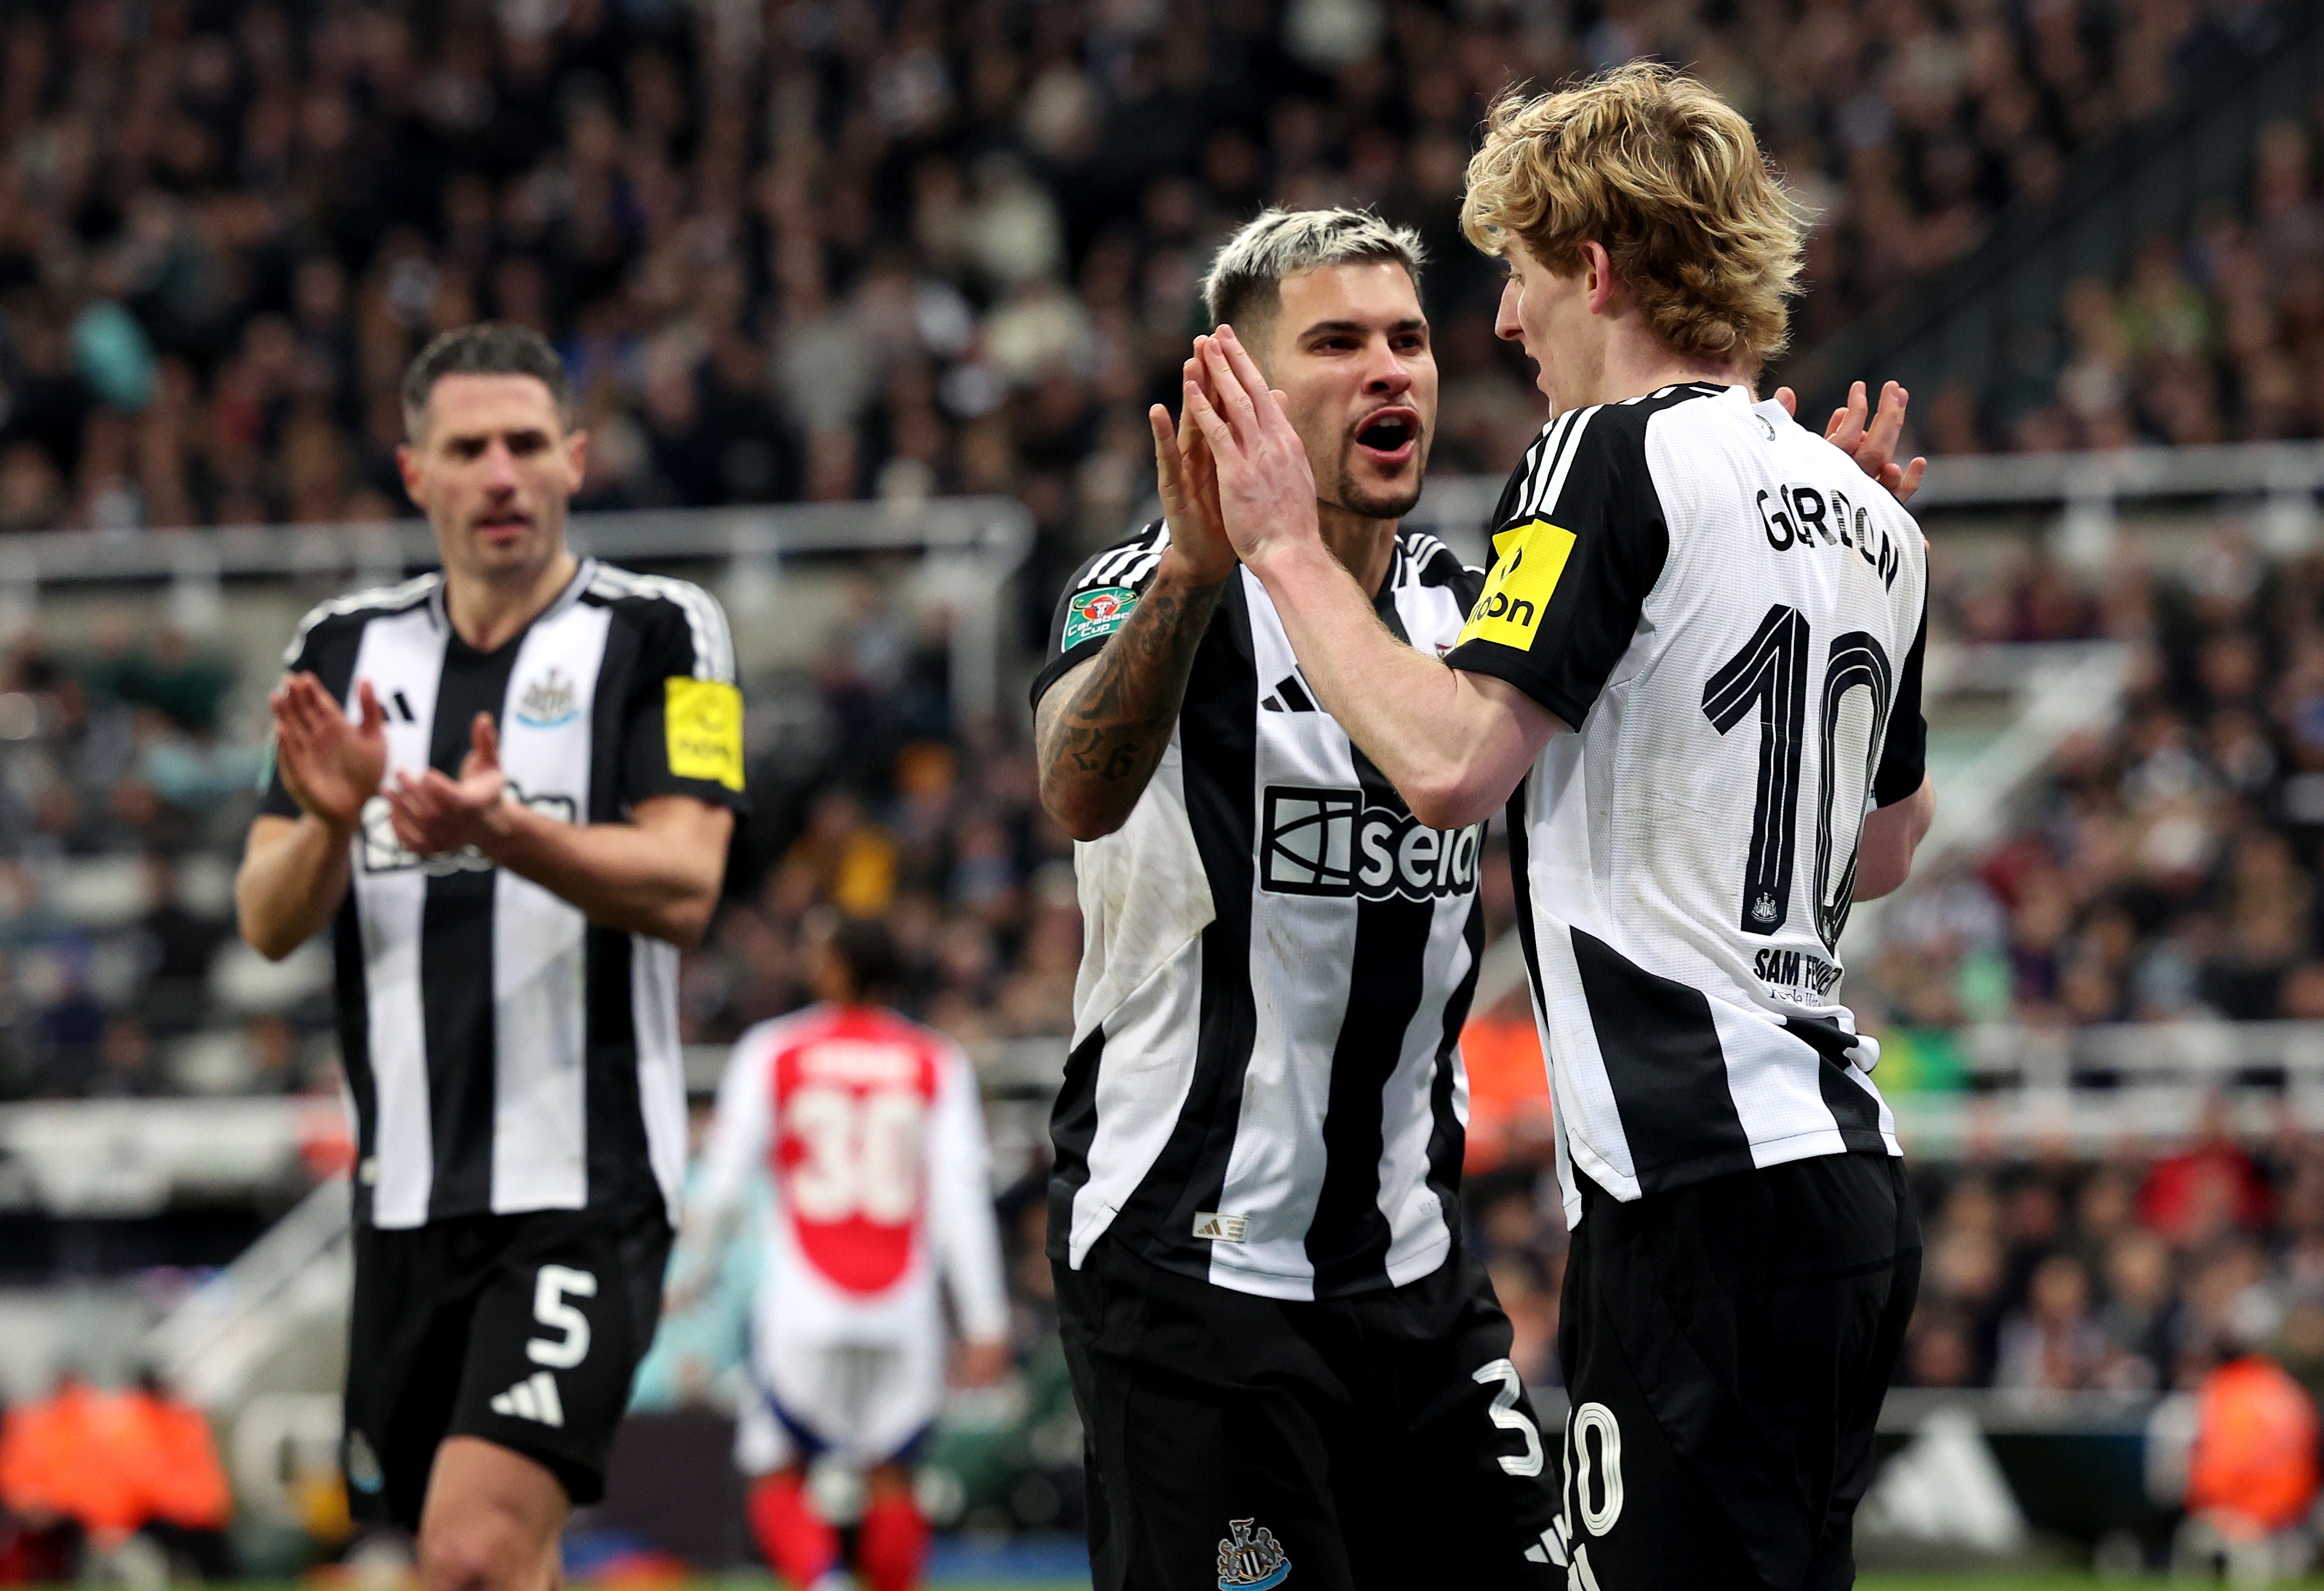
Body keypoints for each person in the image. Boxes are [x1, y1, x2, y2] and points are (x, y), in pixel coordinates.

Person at [1034, 207, 1917, 1591]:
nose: (1391, 370)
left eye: (1404, 339)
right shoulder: (1153, 587)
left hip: (1414, 1288)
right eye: (1335, 343)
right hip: (1191, 1280)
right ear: (1237, 386)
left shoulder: (1473, 612)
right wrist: (1204, 572)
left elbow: (1708, 751)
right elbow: (1074, 789)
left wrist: (1789, 550)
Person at [234, 323, 745, 1591]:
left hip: (586, 1189)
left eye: (527, 442)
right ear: (417, 474)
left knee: (469, 1550)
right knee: (450, 1561)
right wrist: (339, 818)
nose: (502, 473)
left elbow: (686, 884)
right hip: (401, 1198)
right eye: (469, 448)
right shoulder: (338, 651)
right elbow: (265, 915)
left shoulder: (667, 632)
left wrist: (505, 830)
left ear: (575, 459)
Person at [684, 914, 1010, 1591]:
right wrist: (985, 1319)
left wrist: (694, 1271)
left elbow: (722, 1183)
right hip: (902, 1305)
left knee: (776, 1469)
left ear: (831, 965)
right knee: (893, 1473)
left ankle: (821, 1580)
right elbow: (960, 1200)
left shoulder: (774, 1049)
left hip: (801, 1299)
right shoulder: (934, 1058)